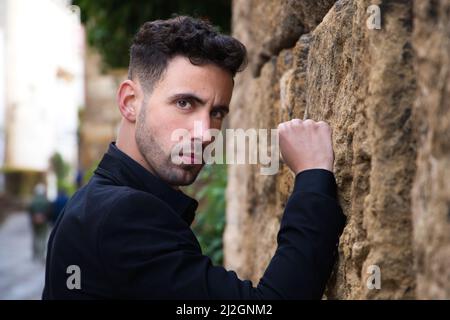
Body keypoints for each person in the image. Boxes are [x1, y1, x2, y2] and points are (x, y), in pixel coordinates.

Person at [43, 16, 346, 299]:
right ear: (130, 102)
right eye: (185, 103)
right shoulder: (122, 215)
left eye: (216, 112)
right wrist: (313, 176)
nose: (205, 133)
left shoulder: (94, 204)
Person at [28, 183, 50, 262]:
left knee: (35, 237)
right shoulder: (45, 200)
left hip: (34, 221)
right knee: (42, 237)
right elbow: (49, 210)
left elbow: (29, 209)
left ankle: (35, 254)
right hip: (43, 221)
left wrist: (34, 217)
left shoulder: (33, 200)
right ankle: (41, 254)